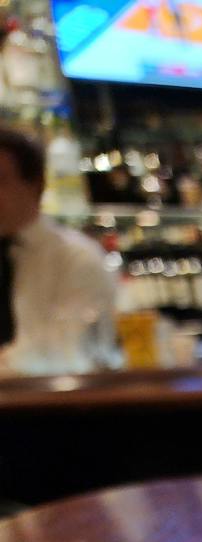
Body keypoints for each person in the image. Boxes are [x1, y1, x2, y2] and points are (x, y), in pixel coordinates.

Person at [0, 127, 116, 376]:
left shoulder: (76, 257)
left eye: (0, 180)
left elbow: (68, 354)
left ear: (36, 185)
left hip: (50, 410)